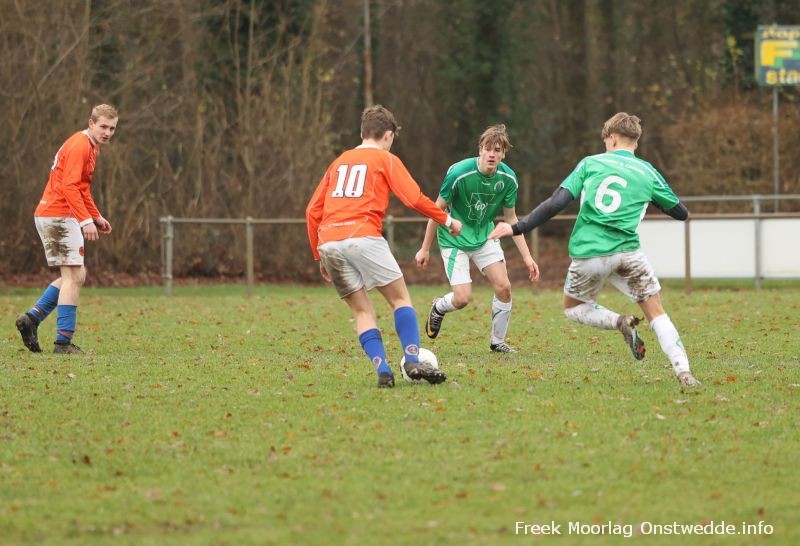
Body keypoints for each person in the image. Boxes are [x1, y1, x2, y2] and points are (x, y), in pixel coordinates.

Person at [489, 112, 700, 387]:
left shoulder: (590, 163)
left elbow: (556, 203)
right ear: (635, 142)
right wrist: (653, 198)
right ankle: (684, 372)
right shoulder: (648, 172)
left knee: (573, 307)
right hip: (628, 254)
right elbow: (681, 213)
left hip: (588, 253)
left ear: (612, 139)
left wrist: (517, 227)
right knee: (657, 313)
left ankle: (618, 321)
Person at [305, 105, 462, 388]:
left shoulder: (339, 162)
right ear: (388, 135)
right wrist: (448, 220)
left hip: (329, 241)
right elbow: (413, 198)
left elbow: (312, 211)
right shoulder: (385, 159)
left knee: (362, 312)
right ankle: (412, 360)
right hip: (363, 235)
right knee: (400, 300)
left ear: (362, 133)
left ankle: (384, 370)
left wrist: (319, 254)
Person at [415, 124, 540, 353]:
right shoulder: (459, 173)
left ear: (504, 153)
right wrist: (424, 249)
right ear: (480, 150)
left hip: (485, 236)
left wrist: (527, 257)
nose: (492, 154)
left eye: (497, 150)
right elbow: (436, 211)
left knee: (504, 287)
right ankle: (439, 307)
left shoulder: (508, 179)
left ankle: (497, 342)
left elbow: (511, 218)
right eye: (487, 149)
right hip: (454, 239)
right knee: (462, 298)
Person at [16, 104, 118, 354]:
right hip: (58, 215)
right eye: (103, 126)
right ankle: (63, 343)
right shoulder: (81, 145)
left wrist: (95, 216)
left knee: (76, 275)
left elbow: (82, 188)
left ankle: (32, 319)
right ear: (91, 123)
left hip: (58, 214)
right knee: (73, 277)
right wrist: (85, 221)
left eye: (112, 128)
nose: (107, 132)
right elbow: (69, 187)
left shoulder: (91, 147)